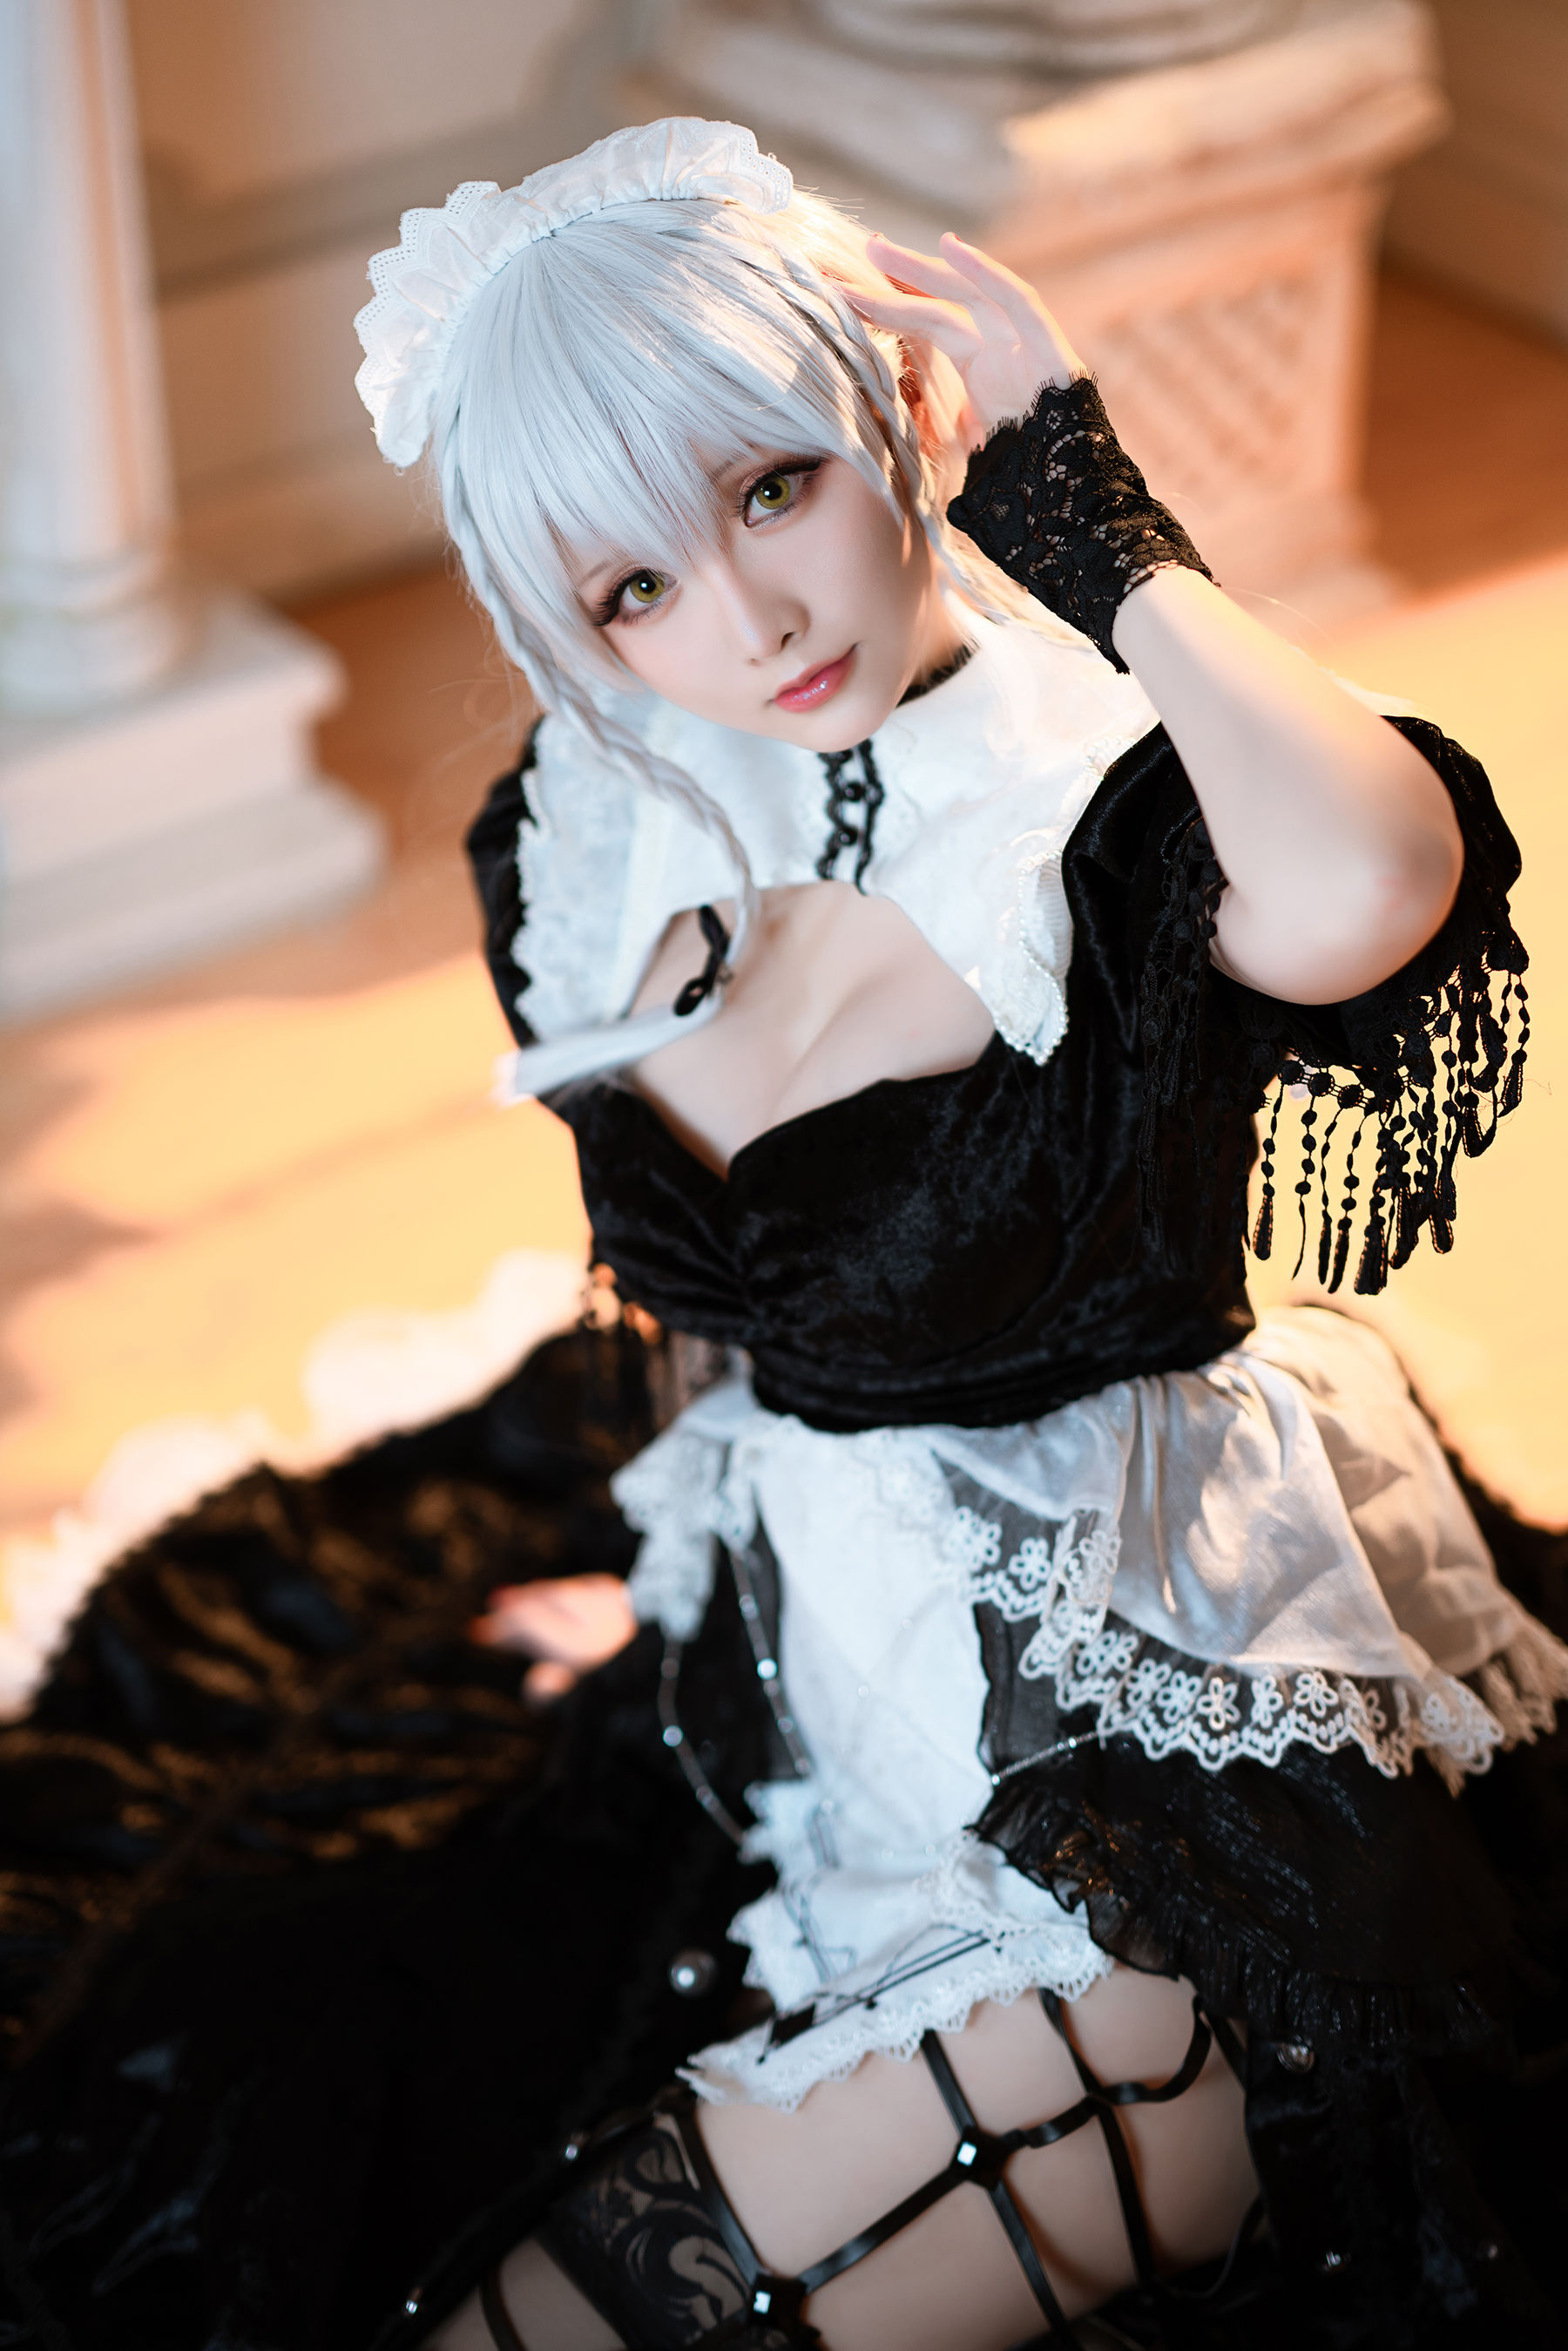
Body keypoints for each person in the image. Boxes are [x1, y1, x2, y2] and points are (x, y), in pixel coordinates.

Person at [0, 117, 1563, 2351]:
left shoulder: (1108, 779)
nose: (747, 627)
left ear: (898, 402)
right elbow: (732, 1309)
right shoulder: (593, 822)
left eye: (770, 487)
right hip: (826, 1690)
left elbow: (1383, 883)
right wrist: (701, 1589)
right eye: (630, 588)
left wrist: (1092, 517)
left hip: (1162, 1802)